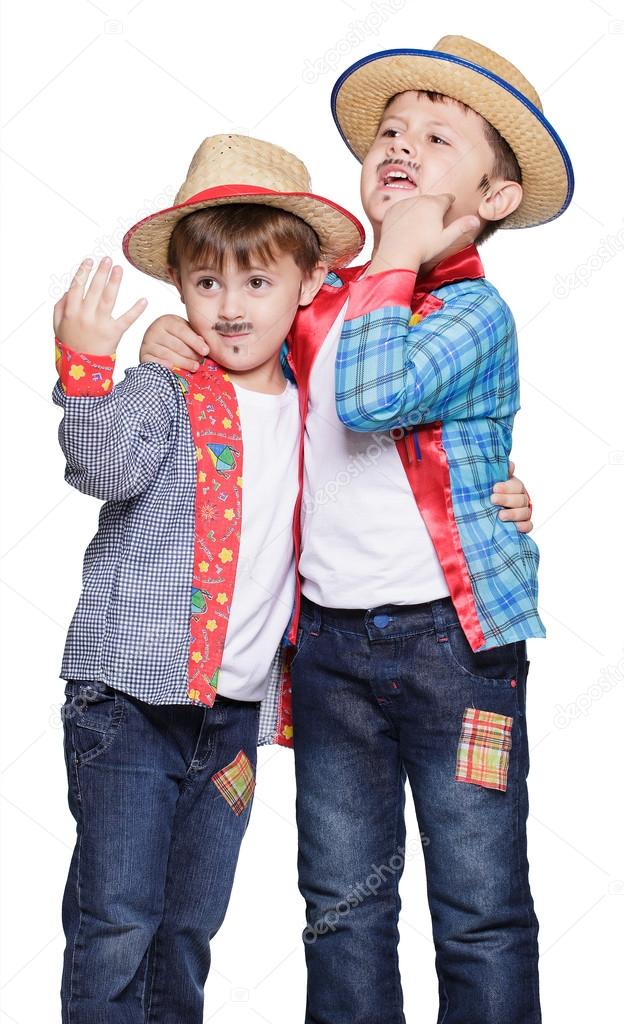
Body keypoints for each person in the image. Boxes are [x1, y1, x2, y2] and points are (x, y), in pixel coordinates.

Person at [138, 36, 570, 1024]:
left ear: (495, 200)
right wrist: (171, 340)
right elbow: (236, 348)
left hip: (456, 651)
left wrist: (406, 254)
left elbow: (374, 396)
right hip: (331, 651)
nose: (402, 145)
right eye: (390, 131)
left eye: (438, 137)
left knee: (479, 907)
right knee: (342, 906)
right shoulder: (320, 302)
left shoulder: (472, 311)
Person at [52, 133, 364, 1024]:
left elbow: (387, 490)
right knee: (116, 918)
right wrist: (87, 369)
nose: (229, 306)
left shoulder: (320, 403)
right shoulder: (170, 382)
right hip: (129, 701)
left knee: (188, 926)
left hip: (232, 717)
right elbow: (102, 467)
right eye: (207, 283)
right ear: (182, 288)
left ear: (307, 285)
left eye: (257, 282)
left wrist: (502, 489)